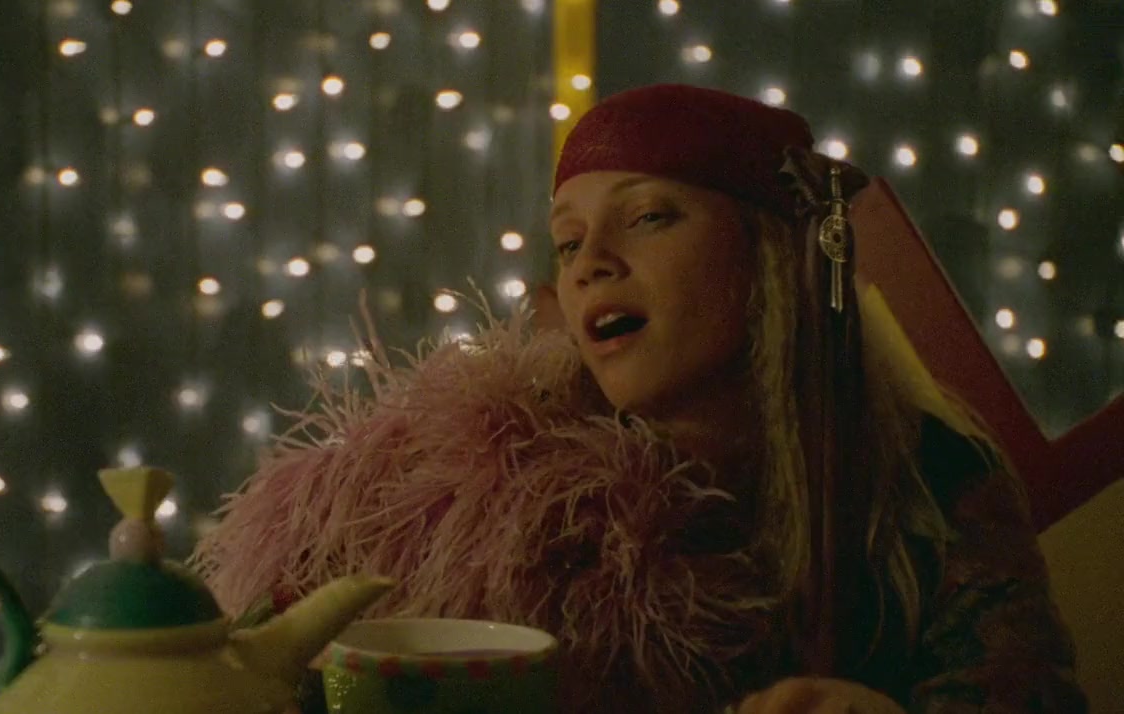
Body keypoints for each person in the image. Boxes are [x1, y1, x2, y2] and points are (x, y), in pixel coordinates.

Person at [192, 85, 1086, 713]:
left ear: (771, 254)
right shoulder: (504, 490)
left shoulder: (930, 482)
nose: (590, 264)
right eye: (567, 241)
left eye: (649, 216)